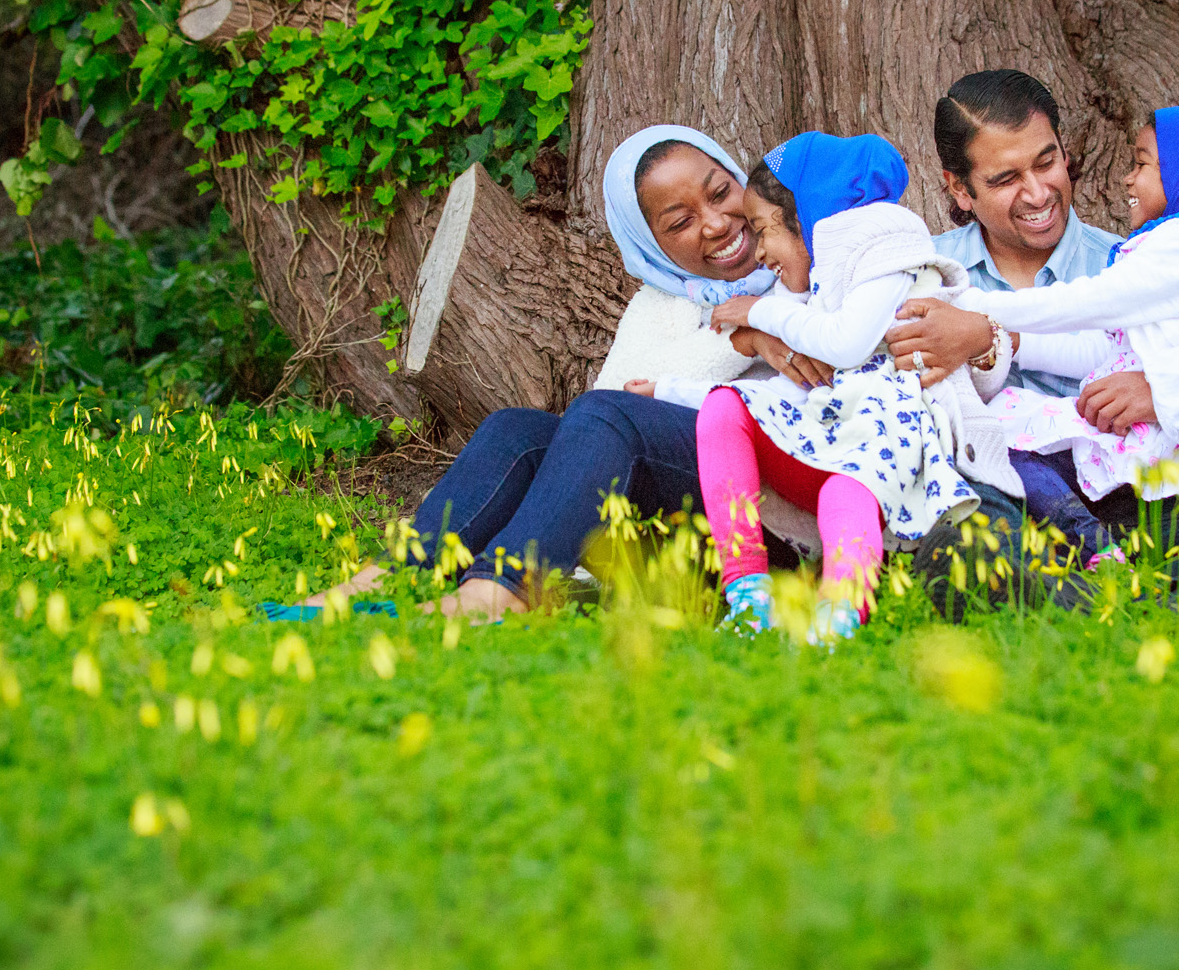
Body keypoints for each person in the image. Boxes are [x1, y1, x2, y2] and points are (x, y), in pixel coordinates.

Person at [297, 124, 830, 620]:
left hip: (777, 544)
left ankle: (501, 592)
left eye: (719, 194)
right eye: (680, 222)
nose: (716, 224)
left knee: (606, 417)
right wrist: (744, 339)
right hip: (676, 541)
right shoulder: (663, 304)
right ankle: (395, 576)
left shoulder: (810, 256)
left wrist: (767, 315)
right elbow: (613, 417)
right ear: (652, 244)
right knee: (520, 430)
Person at [885, 70, 1179, 584]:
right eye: (1005, 180)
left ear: (1066, 154)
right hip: (1013, 508)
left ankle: (1106, 597)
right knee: (960, 530)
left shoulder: (1144, 266)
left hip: (1146, 505)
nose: (1036, 193)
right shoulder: (925, 278)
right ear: (959, 189)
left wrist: (1165, 391)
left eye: (1046, 163)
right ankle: (1116, 601)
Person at [676, 133, 1022, 640]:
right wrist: (669, 388)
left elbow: (846, 345)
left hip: (897, 444)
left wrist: (759, 313)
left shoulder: (885, 256)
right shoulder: (820, 284)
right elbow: (787, 388)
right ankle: (748, 593)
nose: (761, 250)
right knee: (726, 408)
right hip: (839, 431)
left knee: (850, 484)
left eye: (764, 229)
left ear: (807, 215)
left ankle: (839, 616)